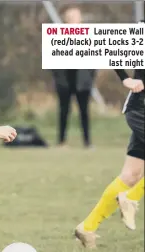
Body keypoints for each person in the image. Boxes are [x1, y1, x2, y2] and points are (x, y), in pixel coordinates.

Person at [74, 64, 144, 248]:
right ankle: (131, 198)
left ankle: (87, 228)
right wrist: (125, 78)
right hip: (141, 108)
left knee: (131, 175)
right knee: (131, 180)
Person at [51, 5, 96, 148]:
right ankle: (61, 141)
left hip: (82, 81)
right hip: (65, 81)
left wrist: (90, 77)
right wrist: (58, 78)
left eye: (76, 17)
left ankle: (87, 142)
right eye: (70, 18)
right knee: (64, 111)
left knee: (84, 111)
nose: (74, 20)